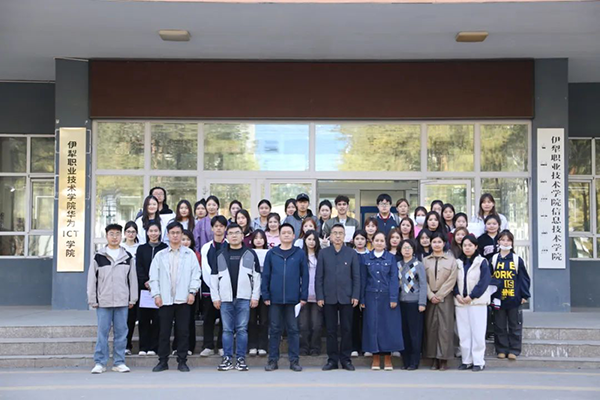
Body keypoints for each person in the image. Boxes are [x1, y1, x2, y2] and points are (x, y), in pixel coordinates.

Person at [149, 221, 201, 373]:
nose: (175, 236)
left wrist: (192, 292)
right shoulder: (160, 255)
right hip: (165, 299)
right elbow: (154, 277)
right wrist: (156, 295)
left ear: (182, 234)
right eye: (172, 233)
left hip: (183, 299)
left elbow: (196, 275)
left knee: (183, 331)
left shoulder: (189, 254)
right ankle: (162, 361)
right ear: (168, 235)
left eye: (178, 233)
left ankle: (182, 361)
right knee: (164, 332)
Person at [87, 223, 138, 374]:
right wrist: (92, 299)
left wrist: (133, 299)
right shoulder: (98, 256)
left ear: (121, 236)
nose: (114, 237)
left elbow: (132, 279)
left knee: (121, 333)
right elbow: (92, 279)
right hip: (104, 301)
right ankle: (100, 362)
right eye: (111, 234)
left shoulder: (127, 257)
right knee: (102, 333)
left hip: (122, 301)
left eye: (117, 234)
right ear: (106, 236)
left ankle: (119, 362)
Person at [211, 223, 261, 372]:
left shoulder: (250, 253)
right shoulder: (220, 254)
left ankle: (240, 359)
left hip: (244, 298)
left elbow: (257, 277)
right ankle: (227, 358)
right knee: (227, 330)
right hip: (225, 299)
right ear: (226, 236)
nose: (234, 236)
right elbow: (214, 277)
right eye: (231, 233)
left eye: (237, 233)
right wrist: (215, 297)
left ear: (242, 235)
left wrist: (255, 296)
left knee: (242, 330)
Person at [261, 223, 309, 372]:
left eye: (289, 233)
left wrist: (303, 296)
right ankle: (272, 360)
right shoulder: (272, 253)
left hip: (293, 299)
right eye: (284, 233)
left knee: (293, 330)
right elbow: (266, 275)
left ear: (294, 236)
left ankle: (294, 361)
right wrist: (265, 294)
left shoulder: (299, 253)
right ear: (279, 236)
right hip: (274, 299)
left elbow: (305, 276)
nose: (286, 235)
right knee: (274, 330)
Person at [316, 224, 361, 371]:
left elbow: (356, 276)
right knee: (331, 330)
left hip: (347, 297)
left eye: (340, 233)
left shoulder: (351, 253)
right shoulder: (323, 253)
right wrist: (320, 295)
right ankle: (332, 360)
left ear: (345, 236)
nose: (337, 236)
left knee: (347, 329)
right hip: (328, 297)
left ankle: (346, 359)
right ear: (330, 236)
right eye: (334, 233)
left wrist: (355, 295)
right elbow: (319, 277)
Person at [360, 231, 403, 371]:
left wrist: (393, 297)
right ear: (372, 242)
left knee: (388, 327)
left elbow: (394, 279)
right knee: (373, 327)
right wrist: (362, 299)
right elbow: (363, 279)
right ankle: (376, 357)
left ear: (385, 243)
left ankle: (388, 358)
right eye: (376, 240)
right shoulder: (366, 258)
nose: (379, 243)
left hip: (386, 296)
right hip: (371, 296)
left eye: (382, 241)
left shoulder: (391, 258)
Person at [491, 230, 531, 361]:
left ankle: (514, 350)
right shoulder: (493, 259)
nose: (505, 242)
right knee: (499, 325)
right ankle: (501, 349)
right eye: (502, 240)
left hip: (514, 298)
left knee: (515, 325)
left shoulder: (516, 259)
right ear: (498, 242)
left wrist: (524, 295)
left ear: (512, 243)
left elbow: (524, 278)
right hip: (498, 299)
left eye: (508, 240)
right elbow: (489, 278)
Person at [454, 234, 492, 372]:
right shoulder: (458, 262)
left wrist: (472, 296)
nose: (467, 248)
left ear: (476, 246)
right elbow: (453, 281)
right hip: (461, 302)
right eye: (465, 245)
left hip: (477, 302)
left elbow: (484, 282)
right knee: (463, 332)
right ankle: (466, 360)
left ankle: (478, 361)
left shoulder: (482, 262)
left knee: (478, 332)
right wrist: (457, 294)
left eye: (470, 245)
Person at [423, 232, 458, 371]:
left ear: (444, 243)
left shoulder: (451, 260)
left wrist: (440, 294)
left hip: (445, 297)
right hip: (430, 297)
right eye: (434, 242)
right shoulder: (425, 260)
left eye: (439, 242)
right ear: (430, 243)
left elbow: (452, 279)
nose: (437, 245)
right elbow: (423, 280)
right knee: (431, 327)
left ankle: (443, 359)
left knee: (445, 328)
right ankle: (433, 358)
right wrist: (430, 295)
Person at [135, 221, 167, 357]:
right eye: (151, 231)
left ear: (160, 232)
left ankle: (154, 347)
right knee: (144, 319)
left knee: (157, 319)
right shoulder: (141, 249)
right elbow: (139, 267)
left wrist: (156, 283)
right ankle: (143, 347)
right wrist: (145, 282)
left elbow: (165, 268)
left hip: (160, 289)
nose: (153, 233)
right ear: (147, 233)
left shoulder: (165, 248)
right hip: (144, 289)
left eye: (156, 231)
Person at [199, 216, 227, 357]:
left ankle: (221, 345)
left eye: (221, 226)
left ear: (225, 228)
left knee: (224, 319)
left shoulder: (229, 245)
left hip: (226, 289)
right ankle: (208, 345)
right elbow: (205, 269)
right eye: (216, 226)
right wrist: (214, 286)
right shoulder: (206, 247)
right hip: (209, 288)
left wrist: (223, 285)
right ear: (212, 228)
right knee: (208, 318)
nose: (218, 228)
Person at [398, 239, 427, 370]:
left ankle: (414, 362)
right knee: (404, 333)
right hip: (401, 303)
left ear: (413, 250)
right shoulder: (398, 265)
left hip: (414, 303)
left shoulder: (418, 264)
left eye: (409, 248)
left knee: (414, 333)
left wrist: (422, 302)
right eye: (404, 248)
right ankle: (406, 361)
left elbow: (423, 284)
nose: (407, 250)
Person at [171, 230, 201, 356]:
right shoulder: (172, 253)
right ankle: (176, 346)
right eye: (183, 239)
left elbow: (197, 274)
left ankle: (189, 346)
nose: (185, 242)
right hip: (175, 292)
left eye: (188, 239)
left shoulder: (195, 255)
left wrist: (192, 291)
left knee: (189, 321)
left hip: (191, 292)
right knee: (178, 321)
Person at [299, 230, 323, 356]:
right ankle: (303, 348)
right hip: (303, 294)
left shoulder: (321, 255)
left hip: (317, 295)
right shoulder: (300, 255)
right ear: (305, 241)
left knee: (316, 324)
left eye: (314, 239)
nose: (311, 242)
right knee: (303, 324)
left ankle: (315, 348)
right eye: (309, 239)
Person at [248, 229, 270, 356]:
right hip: (251, 292)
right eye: (256, 238)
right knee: (251, 320)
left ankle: (263, 346)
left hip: (265, 292)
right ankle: (252, 345)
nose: (258, 240)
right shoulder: (248, 253)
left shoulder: (269, 253)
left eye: (261, 238)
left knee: (264, 320)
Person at [122, 221, 140, 356]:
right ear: (124, 233)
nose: (131, 234)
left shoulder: (140, 247)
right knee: (124, 317)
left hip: (137, 283)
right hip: (122, 285)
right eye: (128, 231)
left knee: (133, 317)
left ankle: (129, 344)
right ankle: (124, 344)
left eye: (133, 232)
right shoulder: (120, 248)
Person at [350, 229, 368, 357]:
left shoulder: (370, 255)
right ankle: (354, 347)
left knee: (367, 322)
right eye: (357, 239)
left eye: (362, 239)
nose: (360, 241)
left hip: (367, 292)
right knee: (353, 321)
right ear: (353, 240)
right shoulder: (350, 254)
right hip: (352, 293)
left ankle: (366, 347)